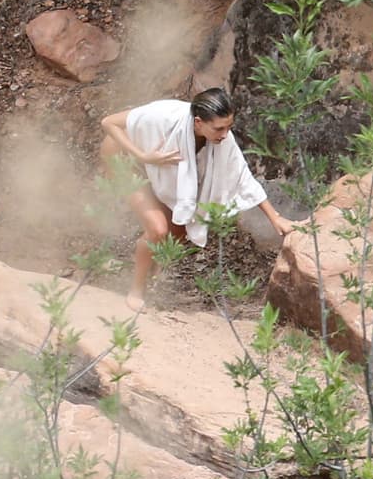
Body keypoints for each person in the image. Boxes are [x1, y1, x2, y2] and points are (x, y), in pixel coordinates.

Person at [100, 87, 294, 311]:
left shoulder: (221, 138)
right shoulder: (163, 116)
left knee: (182, 231)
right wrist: (144, 156)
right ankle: (136, 288)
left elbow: (242, 176)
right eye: (219, 128)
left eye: (229, 127)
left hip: (155, 167)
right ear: (199, 122)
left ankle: (148, 266)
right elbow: (108, 122)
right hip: (125, 159)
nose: (225, 134)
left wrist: (275, 218)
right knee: (158, 229)